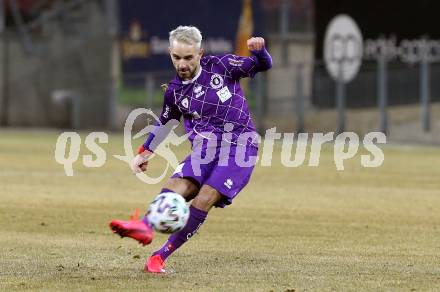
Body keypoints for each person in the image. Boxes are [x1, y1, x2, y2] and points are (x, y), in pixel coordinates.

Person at [110, 25, 272, 273]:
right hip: (205, 149)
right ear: (170, 55)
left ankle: (159, 257)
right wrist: (144, 152)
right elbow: (166, 122)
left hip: (240, 146)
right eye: (177, 57)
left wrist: (260, 52)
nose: (182, 64)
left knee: (205, 196)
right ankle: (144, 225)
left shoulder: (222, 66)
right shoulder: (175, 91)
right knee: (179, 186)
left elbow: (260, 65)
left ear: (200, 54)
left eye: (188, 57)